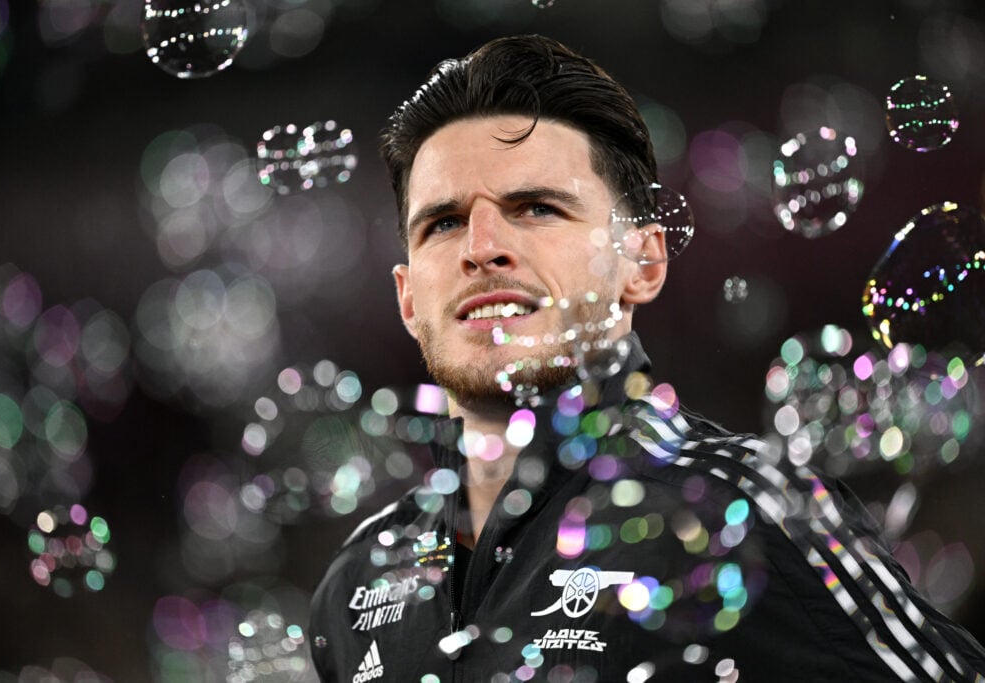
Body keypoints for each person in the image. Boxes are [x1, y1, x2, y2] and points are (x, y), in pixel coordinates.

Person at [309, 35, 985, 682]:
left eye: (536, 208)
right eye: (444, 222)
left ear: (644, 261)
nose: (481, 245)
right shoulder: (357, 580)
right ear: (406, 295)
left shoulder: (752, 510)